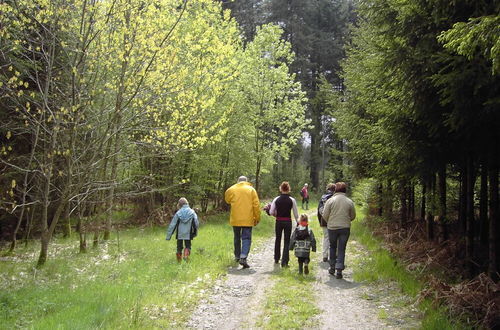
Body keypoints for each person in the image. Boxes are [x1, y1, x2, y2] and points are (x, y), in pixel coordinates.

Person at [225, 176, 261, 268]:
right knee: (246, 238)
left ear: (238, 181)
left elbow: (227, 200)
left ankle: (237, 256)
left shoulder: (231, 189)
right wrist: (257, 218)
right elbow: (256, 205)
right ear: (246, 181)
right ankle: (243, 256)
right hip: (248, 219)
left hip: (235, 218)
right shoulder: (251, 190)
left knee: (237, 237)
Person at [322, 182, 356, 279]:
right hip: (345, 228)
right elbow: (353, 216)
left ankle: (332, 267)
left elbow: (324, 215)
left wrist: (330, 221)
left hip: (332, 228)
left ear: (335, 190)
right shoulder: (349, 201)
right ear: (345, 190)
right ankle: (339, 269)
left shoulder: (330, 201)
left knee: (332, 247)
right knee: (342, 248)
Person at [269, 181, 299, 267]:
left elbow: (271, 212)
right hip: (288, 222)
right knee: (286, 241)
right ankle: (285, 261)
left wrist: (276, 214)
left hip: (278, 221)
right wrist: (298, 222)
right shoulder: (292, 200)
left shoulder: (276, 199)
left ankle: (276, 258)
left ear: (280, 188)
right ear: (289, 189)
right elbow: (296, 214)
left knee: (277, 239)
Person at [166, 197, 199, 262]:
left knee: (179, 247)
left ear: (179, 204)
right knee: (188, 246)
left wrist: (168, 236)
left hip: (179, 234)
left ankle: (179, 262)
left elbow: (172, 225)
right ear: (187, 203)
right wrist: (195, 232)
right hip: (188, 233)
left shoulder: (178, 213)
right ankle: (186, 256)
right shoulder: (192, 212)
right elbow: (196, 223)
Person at [317, 183, 336, 262]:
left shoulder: (323, 198)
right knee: (335, 238)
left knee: (326, 238)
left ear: (327, 189)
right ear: (334, 190)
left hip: (324, 221)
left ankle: (325, 256)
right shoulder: (335, 198)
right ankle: (335, 255)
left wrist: (321, 220)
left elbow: (319, 210)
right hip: (334, 220)